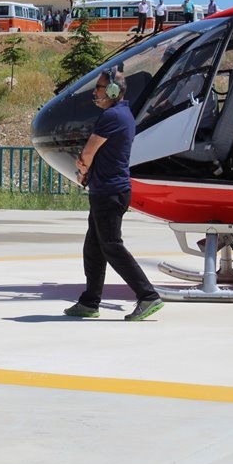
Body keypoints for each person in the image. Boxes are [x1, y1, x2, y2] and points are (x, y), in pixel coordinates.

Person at [64, 67, 164, 322]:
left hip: (109, 192)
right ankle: (90, 302)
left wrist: (82, 169)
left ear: (112, 90)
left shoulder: (112, 116)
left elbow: (88, 152)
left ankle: (148, 295)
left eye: (99, 88)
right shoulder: (122, 113)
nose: (95, 92)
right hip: (107, 191)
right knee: (94, 248)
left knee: (111, 246)